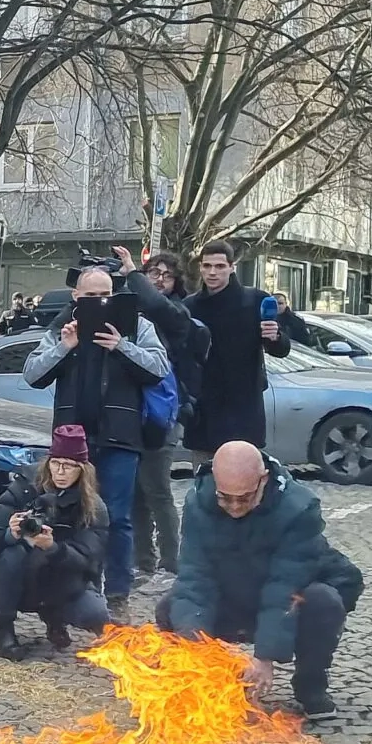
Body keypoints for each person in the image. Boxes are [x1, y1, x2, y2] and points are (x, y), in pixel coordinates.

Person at [158, 442, 363, 718]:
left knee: (324, 602)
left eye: (243, 498)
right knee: (171, 607)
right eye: (224, 497)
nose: (233, 507)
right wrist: (195, 648)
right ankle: (204, 683)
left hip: (288, 603)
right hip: (233, 595)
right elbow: (195, 578)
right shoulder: (198, 503)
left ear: (263, 479)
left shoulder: (299, 508)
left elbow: (285, 585)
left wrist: (265, 655)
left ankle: (310, 684)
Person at [24, 263, 171, 615]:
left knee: (118, 518)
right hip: (73, 443)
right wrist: (65, 347)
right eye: (90, 296)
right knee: (71, 516)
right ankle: (74, 590)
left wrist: (122, 346)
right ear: (77, 297)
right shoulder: (62, 326)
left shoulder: (136, 325)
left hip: (120, 437)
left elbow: (159, 368)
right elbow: (32, 373)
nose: (98, 302)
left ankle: (118, 594)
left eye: (105, 295)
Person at [0, 424, 110, 658]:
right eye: (55, 463)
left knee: (95, 615)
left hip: (64, 581)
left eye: (69, 466)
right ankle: (4, 629)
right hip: (20, 575)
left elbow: (89, 561)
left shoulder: (92, 506)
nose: (60, 472)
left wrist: (54, 548)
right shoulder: (24, 488)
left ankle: (55, 618)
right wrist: (10, 534)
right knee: (11, 553)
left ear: (82, 470)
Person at [135, 252, 205, 591]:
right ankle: (142, 562)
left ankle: (170, 564)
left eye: (168, 275)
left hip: (166, 411)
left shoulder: (177, 312)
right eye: (153, 272)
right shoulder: (136, 308)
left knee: (158, 489)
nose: (159, 279)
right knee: (136, 492)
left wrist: (133, 275)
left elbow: (157, 308)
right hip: (137, 412)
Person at [183, 240, 289, 451]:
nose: (212, 272)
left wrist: (275, 336)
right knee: (204, 476)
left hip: (243, 406)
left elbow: (281, 349)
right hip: (204, 408)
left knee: (244, 477)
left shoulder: (255, 300)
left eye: (220, 266)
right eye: (207, 266)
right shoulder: (189, 306)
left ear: (232, 267)